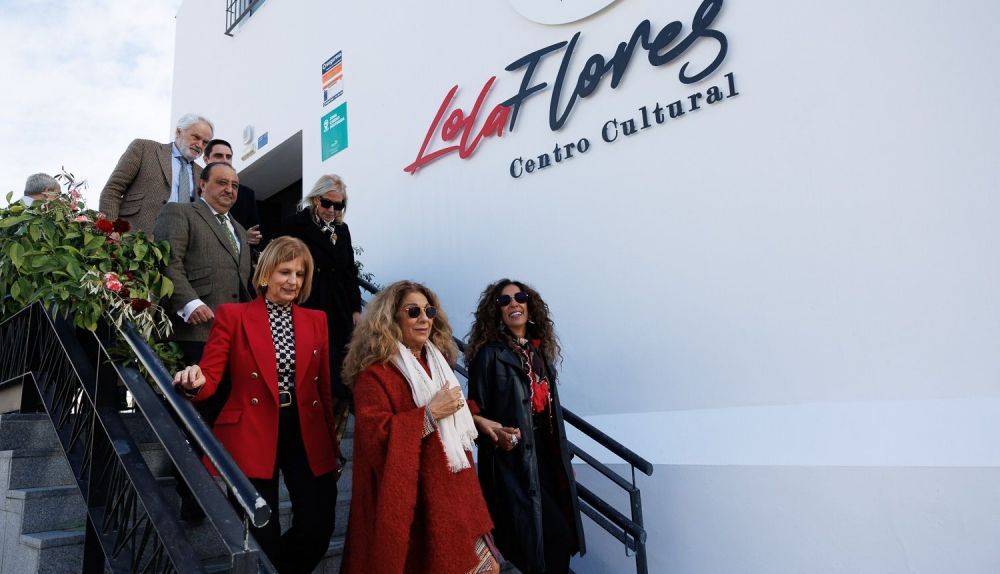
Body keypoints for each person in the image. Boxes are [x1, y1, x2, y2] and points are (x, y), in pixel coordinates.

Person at [173, 237, 341, 573]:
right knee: (262, 535)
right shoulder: (233, 315)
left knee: (317, 527)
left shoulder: (316, 320)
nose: (293, 281)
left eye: (299, 273)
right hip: (252, 429)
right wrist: (195, 381)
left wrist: (332, 443)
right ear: (265, 274)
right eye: (284, 271)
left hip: (305, 429)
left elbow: (321, 387)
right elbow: (210, 373)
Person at [340, 281, 500, 574]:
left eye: (429, 311)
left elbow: (451, 409)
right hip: (413, 501)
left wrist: (475, 419)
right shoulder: (374, 375)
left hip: (453, 489)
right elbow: (375, 438)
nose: (424, 318)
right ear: (391, 318)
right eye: (413, 311)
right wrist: (428, 415)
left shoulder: (437, 362)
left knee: (487, 568)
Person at [153, 161, 254, 521]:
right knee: (194, 419)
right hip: (195, 332)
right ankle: (192, 496)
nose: (230, 190)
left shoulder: (238, 229)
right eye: (222, 182)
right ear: (202, 184)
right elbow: (168, 262)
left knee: (223, 417)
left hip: (233, 338)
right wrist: (189, 302)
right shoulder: (180, 213)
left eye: (235, 185)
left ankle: (225, 488)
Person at [465, 279, 586, 574]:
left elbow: (552, 416)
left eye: (519, 297)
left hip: (547, 457)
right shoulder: (489, 355)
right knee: (545, 539)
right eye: (504, 301)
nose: (513, 304)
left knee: (558, 538)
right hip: (514, 463)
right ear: (497, 311)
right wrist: (495, 435)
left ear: (530, 306)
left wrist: (564, 459)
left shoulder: (538, 353)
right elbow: (473, 413)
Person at [282, 174, 362, 438]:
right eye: (327, 203)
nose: (332, 210)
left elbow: (350, 271)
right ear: (316, 199)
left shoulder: (342, 230)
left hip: (339, 306)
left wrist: (355, 308)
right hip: (309, 301)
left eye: (339, 206)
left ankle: (333, 429)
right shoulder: (295, 225)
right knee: (311, 363)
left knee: (340, 367)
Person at [100, 113, 213, 236]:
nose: (199, 145)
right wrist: (110, 230)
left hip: (179, 243)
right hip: (132, 238)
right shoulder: (144, 148)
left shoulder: (203, 175)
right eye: (195, 137)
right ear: (178, 132)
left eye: (205, 142)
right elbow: (113, 190)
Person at [203, 138, 262, 246]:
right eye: (218, 156)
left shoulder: (245, 194)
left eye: (228, 157)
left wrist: (247, 237)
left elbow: (256, 236)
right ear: (206, 159)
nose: (225, 160)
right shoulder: (193, 188)